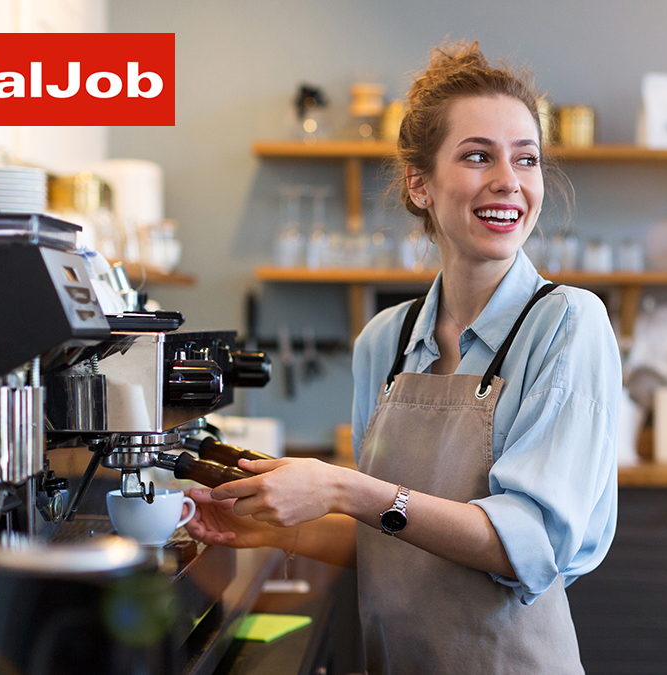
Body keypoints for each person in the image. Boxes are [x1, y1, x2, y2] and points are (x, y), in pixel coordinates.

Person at [186, 40, 620, 674]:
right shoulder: (385, 340)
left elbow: (530, 547)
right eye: (478, 156)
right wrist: (282, 528)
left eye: (526, 160)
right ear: (419, 184)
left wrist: (338, 485)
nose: (509, 181)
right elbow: (392, 537)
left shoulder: (566, 322)